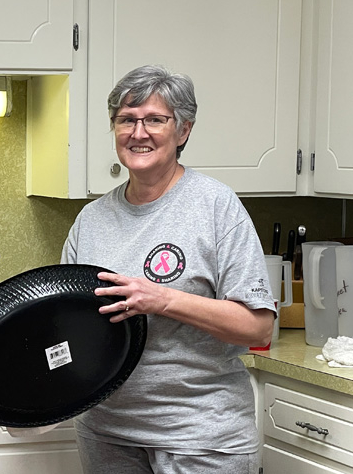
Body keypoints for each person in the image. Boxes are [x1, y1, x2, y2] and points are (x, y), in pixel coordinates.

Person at [62, 65, 276, 474]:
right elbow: (68, 325)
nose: (138, 132)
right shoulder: (91, 219)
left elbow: (258, 327)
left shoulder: (215, 206)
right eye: (126, 119)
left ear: (183, 131)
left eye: (155, 120)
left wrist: (163, 299)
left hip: (202, 439)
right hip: (107, 433)